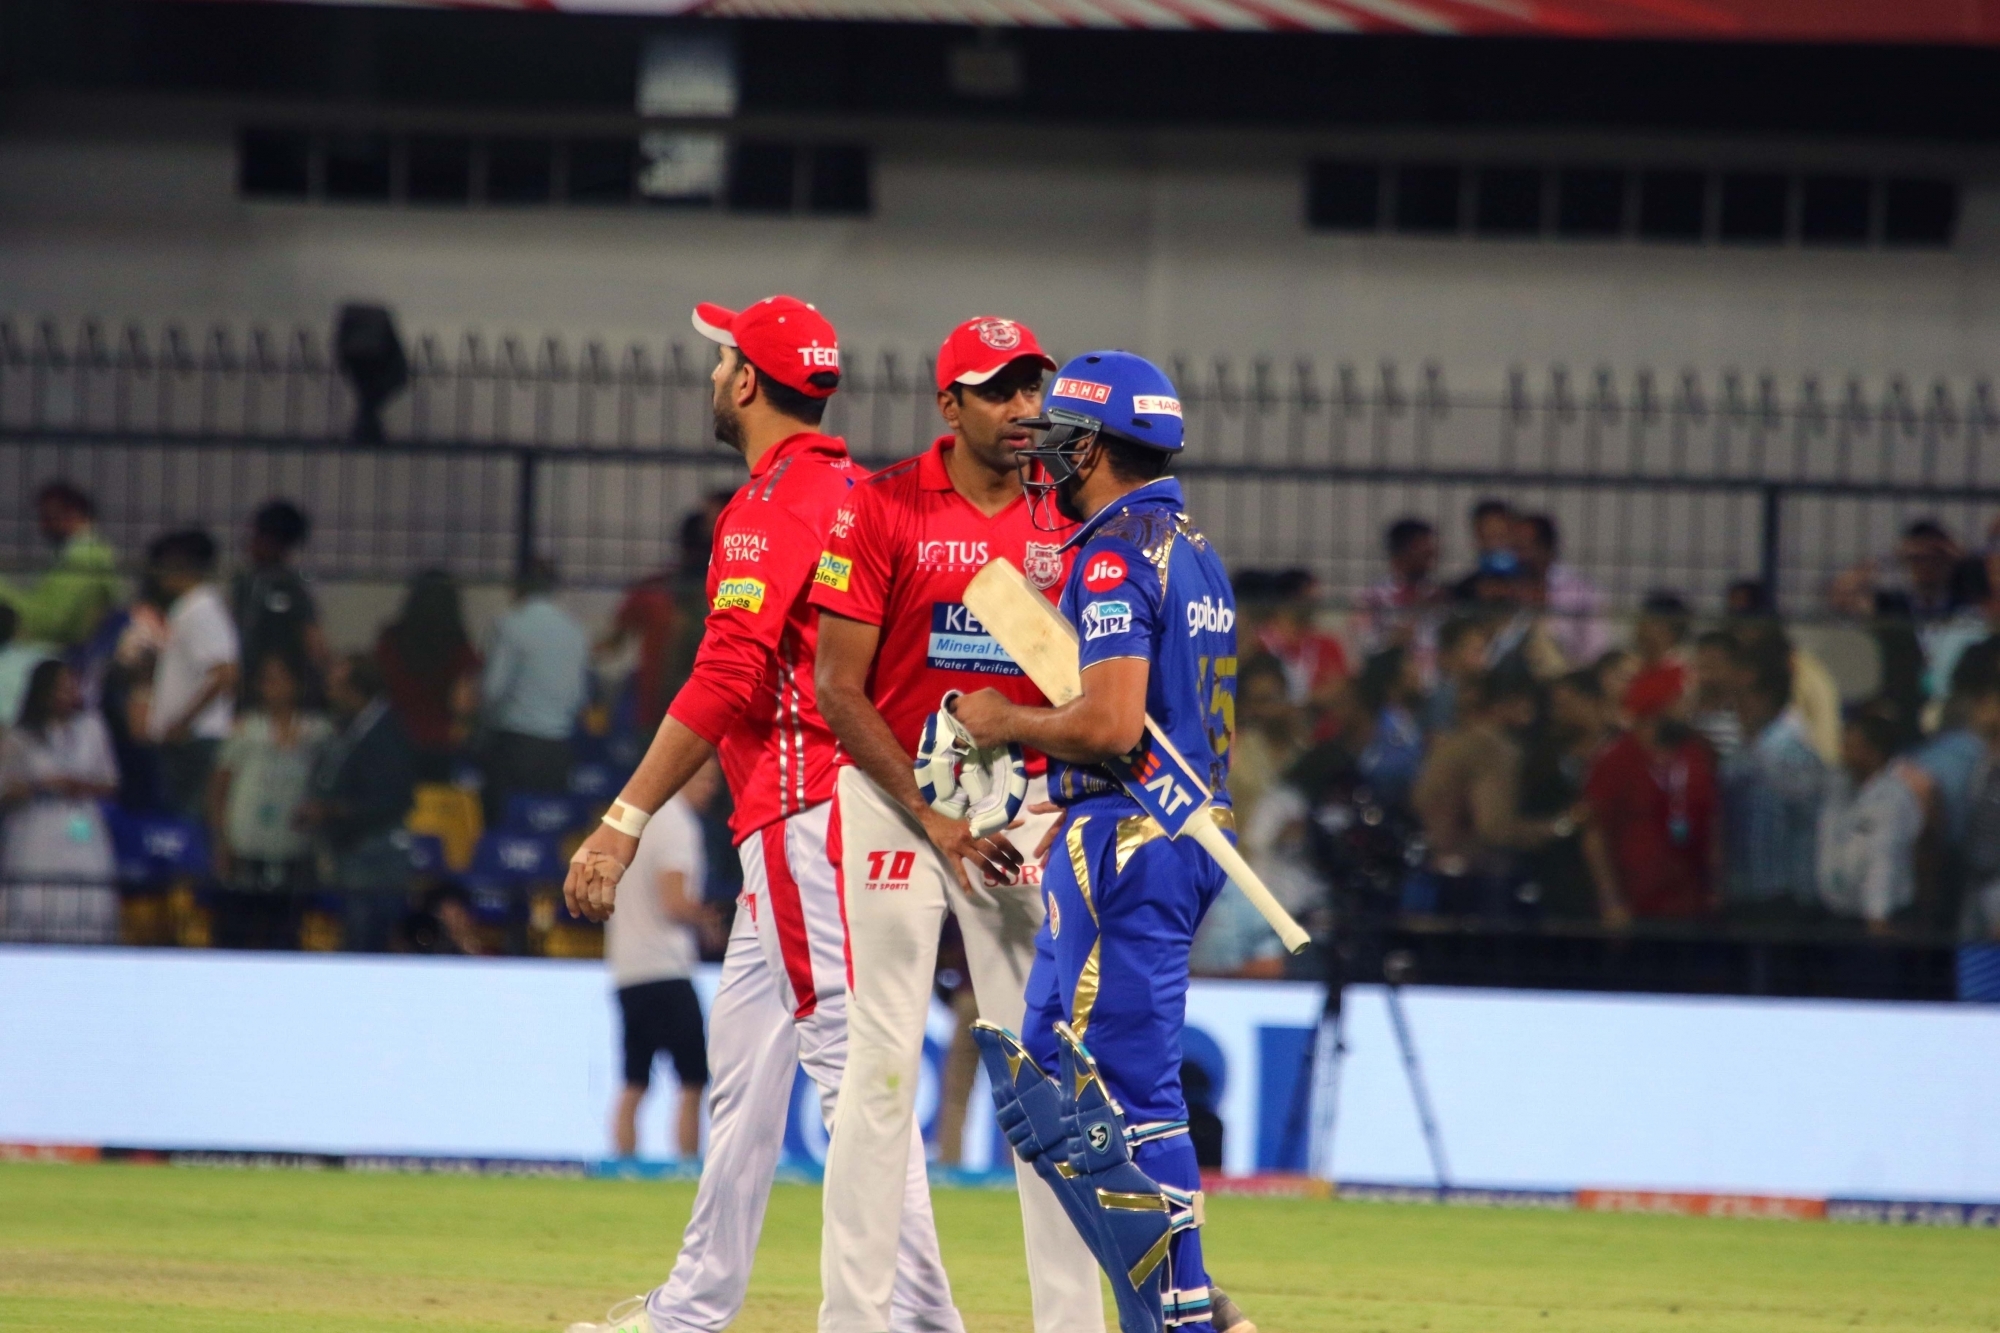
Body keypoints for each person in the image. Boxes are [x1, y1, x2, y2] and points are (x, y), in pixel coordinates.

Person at [561, 296, 957, 1333]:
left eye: (722, 357)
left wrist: (623, 817)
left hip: (803, 813)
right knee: (742, 1082)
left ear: (745, 382)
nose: (713, 373)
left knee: (853, 1079)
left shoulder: (772, 503)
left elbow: (730, 671)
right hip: (839, 816)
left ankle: (922, 1322)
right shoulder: (864, 494)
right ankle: (689, 1312)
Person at [806, 314, 1109, 1333]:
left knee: (1041, 1070)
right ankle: (854, 1320)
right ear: (949, 404)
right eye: (999, 390)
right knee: (882, 1065)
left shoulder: (1065, 516)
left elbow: (1086, 681)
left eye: (1032, 387)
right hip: (895, 801)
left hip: (1018, 810)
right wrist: (928, 810)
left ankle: (1070, 1325)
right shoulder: (880, 506)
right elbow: (837, 688)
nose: (1024, 408)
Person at [950, 349, 1249, 1333]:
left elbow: (1114, 724)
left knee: (1105, 1087)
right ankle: (1186, 1302)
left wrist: (1003, 720)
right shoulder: (1193, 550)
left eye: (1061, 437)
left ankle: (1183, 1310)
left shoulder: (1114, 554)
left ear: (1091, 446)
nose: (1045, 455)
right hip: (1179, 832)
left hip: (1127, 838)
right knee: (1062, 1080)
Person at [608, 758, 722, 1160]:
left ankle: (621, 1167)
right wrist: (708, 921)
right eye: (704, 779)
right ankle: (686, 1167)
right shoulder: (677, 824)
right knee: (692, 1080)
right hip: (666, 969)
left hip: (627, 969)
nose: (711, 789)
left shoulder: (640, 819)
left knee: (634, 1081)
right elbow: (674, 902)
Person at [1408, 669, 1577, 919]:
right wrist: (1560, 826)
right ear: (1508, 703)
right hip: (1474, 886)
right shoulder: (1492, 747)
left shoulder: (1452, 744)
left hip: (1434, 878)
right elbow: (1495, 829)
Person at [207, 652, 334, 949]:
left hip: (294, 848)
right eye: (266, 681)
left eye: (279, 679)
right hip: (246, 846)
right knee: (239, 929)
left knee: (287, 932)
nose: (272, 688)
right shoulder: (245, 730)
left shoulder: (318, 733)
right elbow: (218, 788)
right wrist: (221, 840)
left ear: (296, 684)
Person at [1581, 668, 1720, 927]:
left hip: (1693, 903)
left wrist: (1716, 884)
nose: (1688, 711)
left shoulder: (1696, 754)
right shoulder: (1614, 761)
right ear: (1658, 708)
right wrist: (1611, 901)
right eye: (1680, 703)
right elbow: (1595, 834)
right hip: (1637, 906)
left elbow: (1713, 821)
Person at [304, 652, 418, 952]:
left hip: (375, 853)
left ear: (355, 690)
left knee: (367, 938)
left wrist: (332, 810)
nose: (329, 693)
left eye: (335, 686)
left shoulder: (386, 734)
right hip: (356, 849)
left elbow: (391, 798)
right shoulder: (353, 728)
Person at [0, 659, 119, 942]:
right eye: (60, 688)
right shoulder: (19, 736)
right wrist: (41, 785)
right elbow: (5, 788)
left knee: (85, 889)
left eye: (71, 687)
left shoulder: (92, 728)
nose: (67, 694)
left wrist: (77, 785)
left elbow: (110, 782)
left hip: (82, 822)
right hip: (35, 827)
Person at [1719, 640, 1829, 926]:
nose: (1735, 705)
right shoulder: (1743, 751)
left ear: (1766, 696)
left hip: (1783, 898)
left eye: (1742, 695)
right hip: (1743, 892)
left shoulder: (1793, 753)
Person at [140, 529, 241, 818]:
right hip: (189, 740)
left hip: (196, 740)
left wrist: (183, 722)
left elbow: (225, 673)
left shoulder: (201, 609)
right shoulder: (189, 608)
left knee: (190, 823)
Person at [480, 558, 588, 825]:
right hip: (558, 750)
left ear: (518, 587)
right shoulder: (575, 631)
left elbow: (492, 690)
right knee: (546, 831)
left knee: (502, 827)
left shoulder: (509, 625)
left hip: (515, 746)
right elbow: (578, 697)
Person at [1818, 710, 1922, 934]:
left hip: (1877, 919)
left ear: (1874, 752)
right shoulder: (1838, 790)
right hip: (1838, 913)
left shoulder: (1892, 798)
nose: (1843, 753)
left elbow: (1884, 858)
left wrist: (1878, 916)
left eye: (1851, 747)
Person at [377, 570, 481, 783]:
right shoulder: (458, 647)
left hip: (395, 738)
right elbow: (462, 704)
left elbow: (379, 689)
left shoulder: (390, 641)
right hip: (441, 743)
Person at [0, 481, 121, 651]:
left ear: (73, 513)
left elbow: (51, 620)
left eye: (48, 517)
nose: (42, 526)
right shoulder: (85, 553)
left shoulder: (84, 557)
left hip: (62, 653)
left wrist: (4, 593)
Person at [231, 499, 327, 705]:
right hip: (245, 685)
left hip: (283, 688)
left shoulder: (293, 587)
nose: (251, 543)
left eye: (258, 536)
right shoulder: (244, 584)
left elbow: (313, 640)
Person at [1512, 513, 1608, 668]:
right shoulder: (1506, 587)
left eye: (1522, 547)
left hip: (1569, 669)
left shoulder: (1579, 589)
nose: (1516, 556)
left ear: (1545, 547)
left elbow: (1596, 645)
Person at [1354, 517, 1440, 685]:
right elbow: (1365, 651)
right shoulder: (1372, 597)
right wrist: (1395, 640)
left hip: (1436, 686)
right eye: (1423, 546)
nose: (1431, 553)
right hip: (1390, 685)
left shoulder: (1439, 596)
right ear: (1401, 550)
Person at [1688, 629, 1744, 758]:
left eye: (1713, 664)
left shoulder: (1744, 714)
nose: (1706, 674)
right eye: (1702, 665)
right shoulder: (1686, 713)